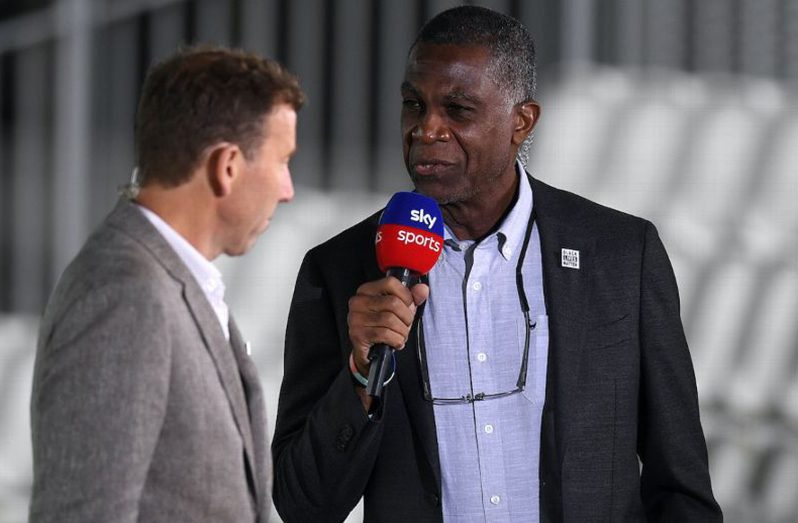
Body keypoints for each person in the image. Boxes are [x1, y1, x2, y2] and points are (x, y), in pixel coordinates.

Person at [272, 6, 721, 523]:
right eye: (413, 105)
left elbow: (681, 486)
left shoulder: (621, 254)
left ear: (521, 122)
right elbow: (302, 503)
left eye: (457, 110)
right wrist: (359, 372)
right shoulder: (340, 270)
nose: (427, 130)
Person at [29, 45, 304, 522]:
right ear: (228, 166)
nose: (288, 189)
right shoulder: (126, 293)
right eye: (282, 161)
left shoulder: (165, 279)